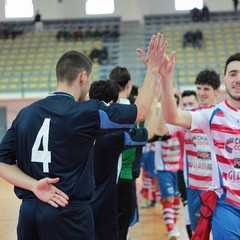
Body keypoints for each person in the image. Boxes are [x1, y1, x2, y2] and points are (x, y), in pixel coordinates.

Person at [0, 32, 166, 240]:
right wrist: (152, 69)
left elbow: (2, 162)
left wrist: (34, 185)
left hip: (29, 212)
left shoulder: (25, 113)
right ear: (82, 77)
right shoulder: (86, 112)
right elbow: (140, 112)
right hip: (68, 212)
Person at [160, 47, 240, 238]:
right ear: (224, 80)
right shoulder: (211, 115)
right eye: (233, 73)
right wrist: (166, 79)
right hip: (226, 204)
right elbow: (171, 117)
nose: (238, 79)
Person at [89, 79, 148, 240]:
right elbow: (147, 133)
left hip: (77, 205)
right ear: (112, 104)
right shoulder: (118, 134)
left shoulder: (74, 123)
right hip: (105, 204)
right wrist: (154, 98)